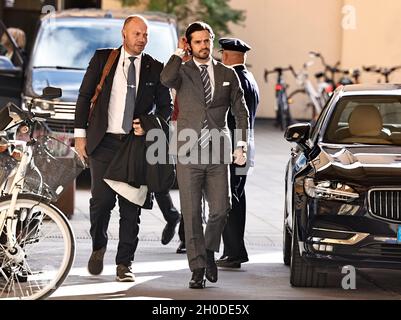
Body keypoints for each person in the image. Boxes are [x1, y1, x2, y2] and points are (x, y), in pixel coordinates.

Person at [74, 15, 172, 282]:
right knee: (101, 202)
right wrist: (80, 136)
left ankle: (124, 264)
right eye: (137, 34)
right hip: (103, 142)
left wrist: (149, 125)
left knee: (131, 208)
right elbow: (84, 96)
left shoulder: (155, 68)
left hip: (134, 146)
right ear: (124, 34)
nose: (142, 39)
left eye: (145, 35)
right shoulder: (103, 59)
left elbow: (166, 108)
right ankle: (98, 246)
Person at [160, 21, 249, 289]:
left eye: (207, 40)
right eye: (197, 41)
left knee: (222, 209)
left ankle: (209, 250)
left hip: (218, 151)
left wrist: (241, 145)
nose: (203, 46)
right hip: (187, 152)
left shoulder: (228, 74)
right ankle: (197, 268)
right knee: (192, 213)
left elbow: (241, 111)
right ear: (190, 44)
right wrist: (178, 52)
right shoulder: (182, 71)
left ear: (212, 41)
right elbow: (165, 80)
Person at [216, 38, 260, 269]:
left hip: (234, 147)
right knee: (236, 196)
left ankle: (234, 252)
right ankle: (233, 250)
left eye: (221, 54)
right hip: (243, 145)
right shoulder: (249, 78)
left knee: (229, 197)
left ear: (225, 56)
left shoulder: (234, 80)